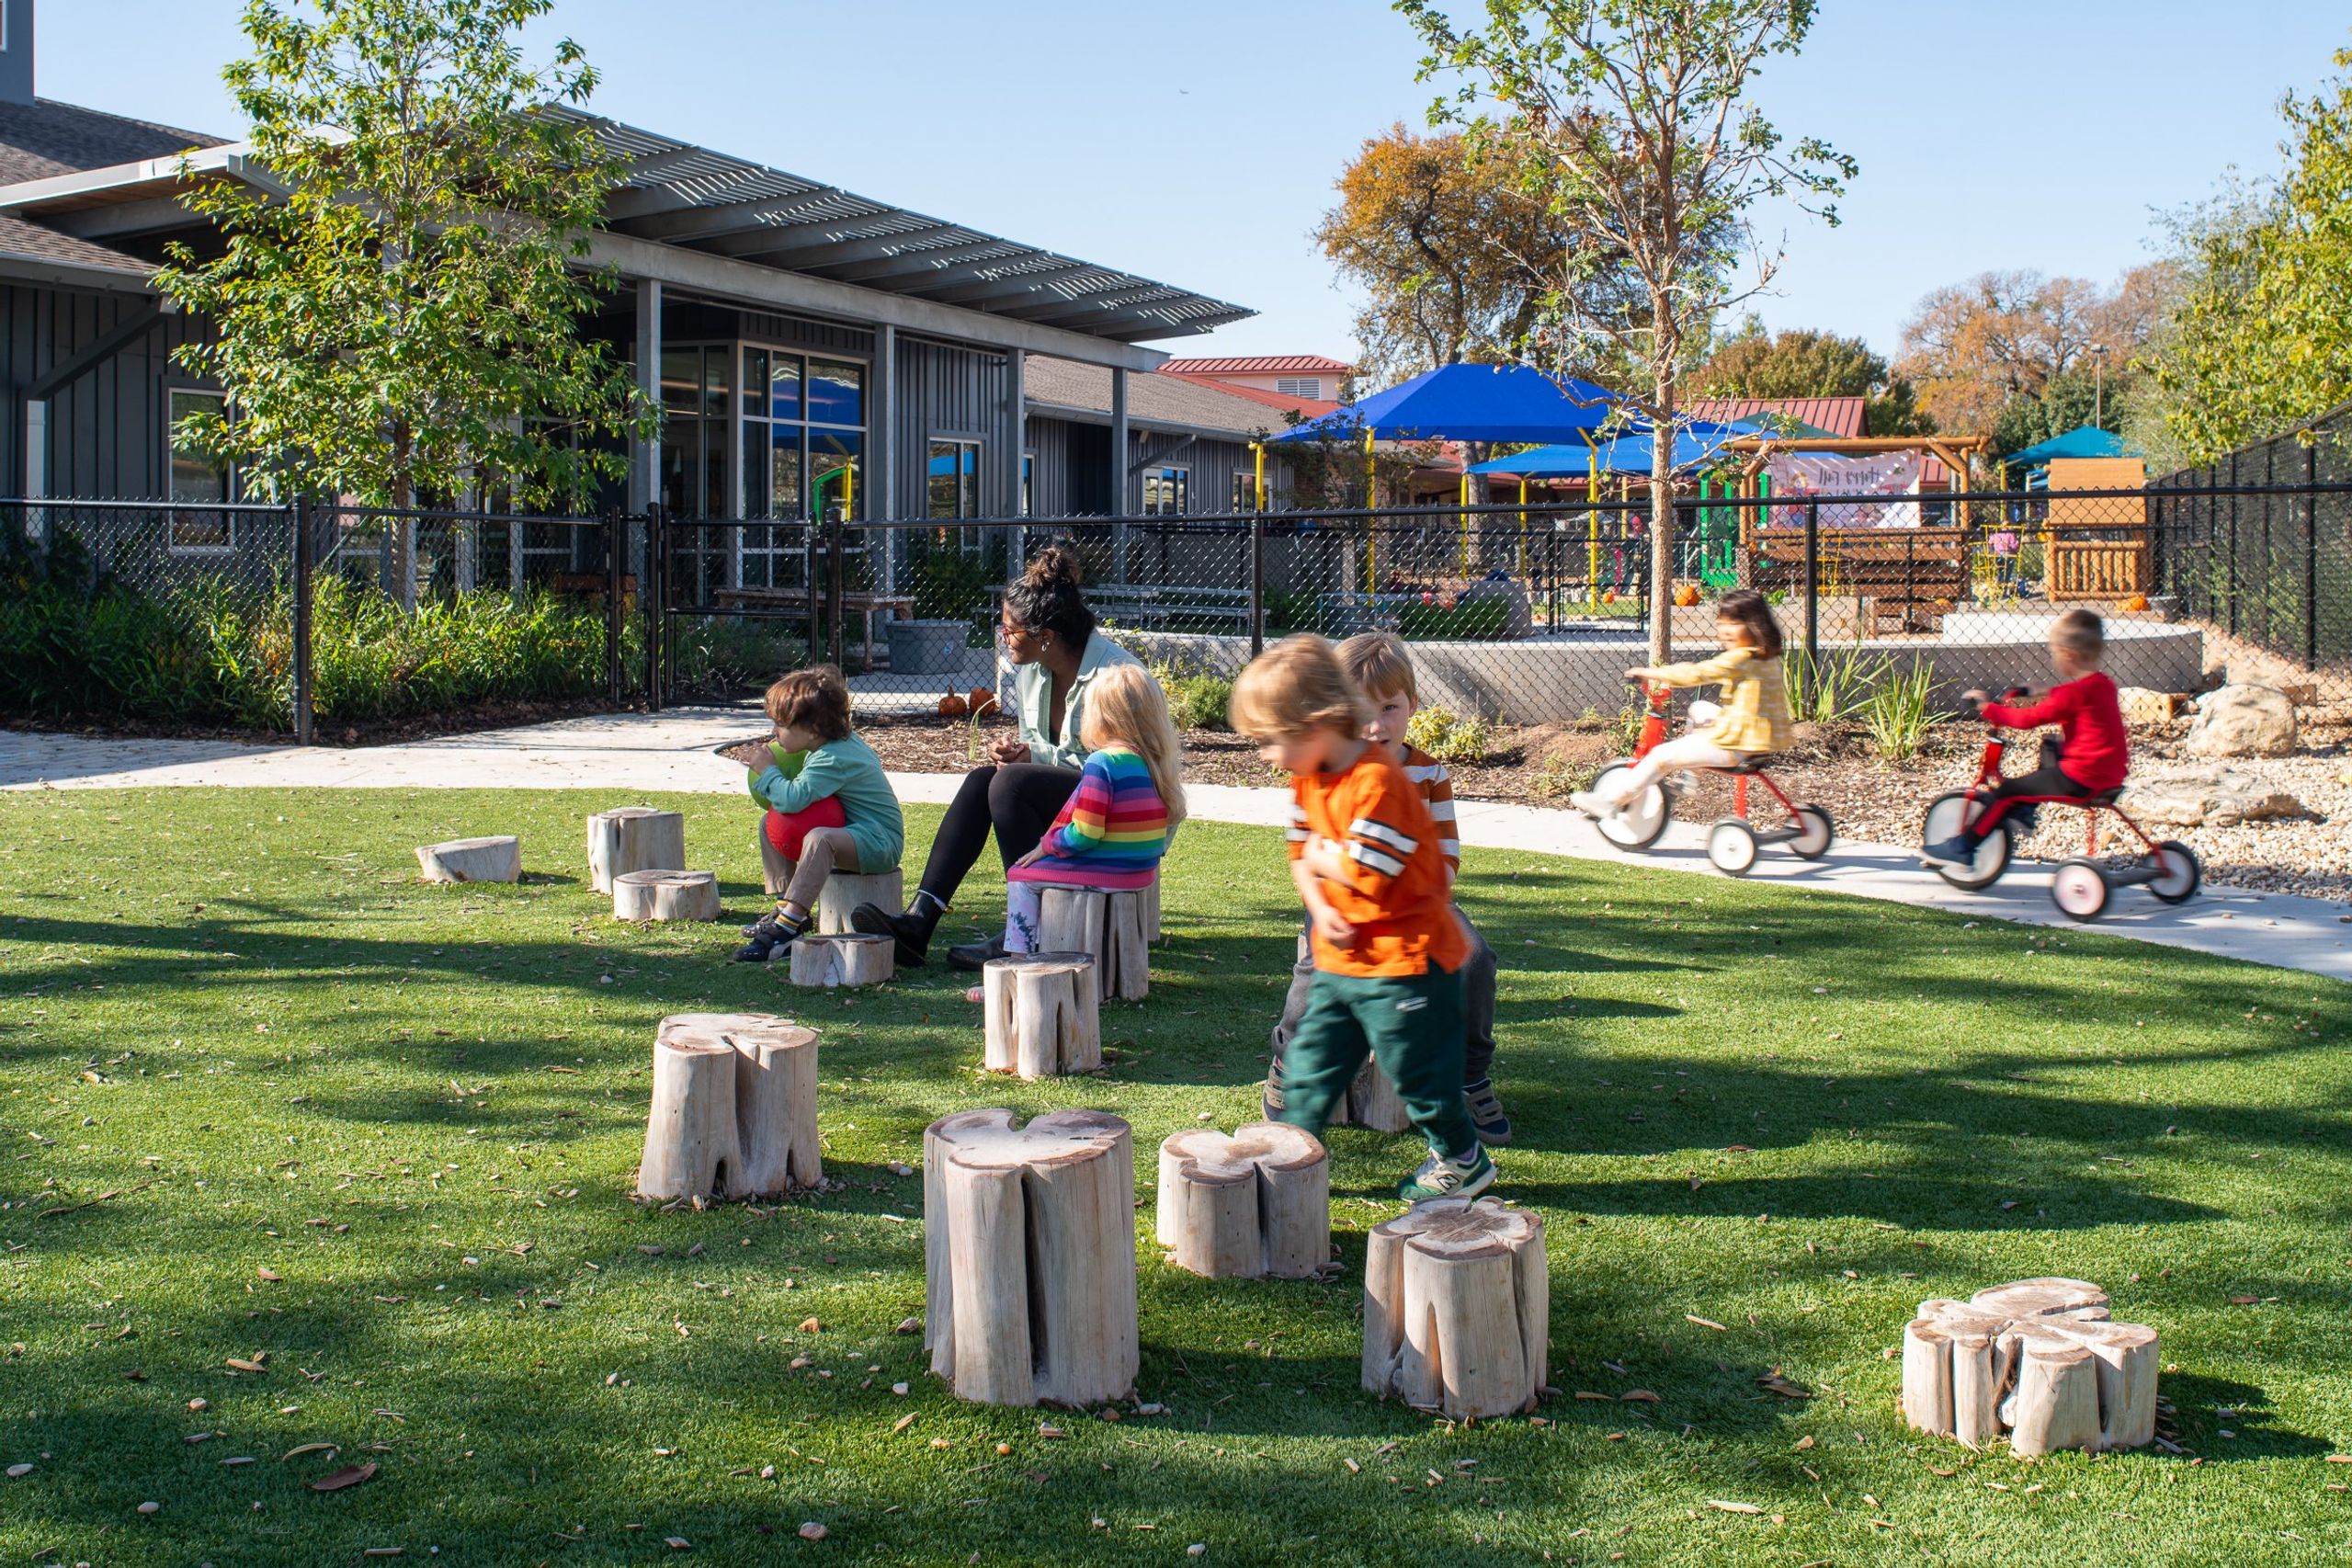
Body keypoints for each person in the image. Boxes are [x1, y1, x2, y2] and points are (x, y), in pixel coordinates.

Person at [1228, 635, 1492, 1205]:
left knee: (1417, 1073)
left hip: (1408, 964)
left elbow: (1366, 872)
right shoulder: (1312, 775)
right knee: (1314, 1061)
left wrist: (1327, 859)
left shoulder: (1380, 786)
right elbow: (1302, 853)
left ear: (1317, 725)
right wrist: (1322, 906)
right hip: (1345, 960)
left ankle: (1461, 1157)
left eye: (1272, 741)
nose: (1269, 756)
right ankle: (1290, 1151)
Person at [852, 544, 1141, 969]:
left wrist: (1032, 757)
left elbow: (1122, 770)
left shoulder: (1115, 677)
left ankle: (1023, 928)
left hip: (1121, 813)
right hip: (1076, 806)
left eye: (1011, 630)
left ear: (1046, 636)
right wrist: (1018, 753)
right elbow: (1041, 754)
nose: (1003, 638)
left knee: (1009, 782)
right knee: (983, 779)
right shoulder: (1033, 673)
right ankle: (919, 921)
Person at [962, 664, 1184, 1000]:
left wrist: (1048, 843)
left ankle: (1018, 971)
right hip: (1140, 873)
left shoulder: (1102, 764)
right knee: (1030, 872)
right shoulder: (1154, 763)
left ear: (1100, 716)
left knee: (1021, 875)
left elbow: (1085, 834)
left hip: (1107, 872)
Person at [1921, 608, 2128, 869]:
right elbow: (2073, 698)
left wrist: (1988, 708)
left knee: (2007, 792)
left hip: (2081, 779)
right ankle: (2025, 811)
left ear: (2068, 654)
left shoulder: (2071, 695)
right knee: (2052, 745)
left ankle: (1962, 847)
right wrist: (2041, 690)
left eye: (2054, 653)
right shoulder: (2103, 684)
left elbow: (2027, 720)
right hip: (2111, 774)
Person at [1571, 587, 1790, 821]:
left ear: (1755, 625)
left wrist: (1650, 672)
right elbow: (1703, 670)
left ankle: (1611, 801)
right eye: (1722, 622)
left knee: (1660, 756)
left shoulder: (1740, 658)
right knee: (1699, 709)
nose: (1725, 630)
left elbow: (1696, 675)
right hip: (1760, 740)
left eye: (1734, 623)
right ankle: (1688, 780)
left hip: (1737, 747)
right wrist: (1687, 670)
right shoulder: (1767, 655)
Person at [733, 665, 904, 963]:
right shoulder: (829, 746)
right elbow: (787, 806)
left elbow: (792, 799)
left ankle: (787, 930)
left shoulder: (833, 758)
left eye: (781, 725)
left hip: (879, 842)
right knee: (771, 822)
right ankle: (787, 908)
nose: (775, 732)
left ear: (812, 730)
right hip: (855, 833)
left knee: (819, 838)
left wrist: (767, 770)